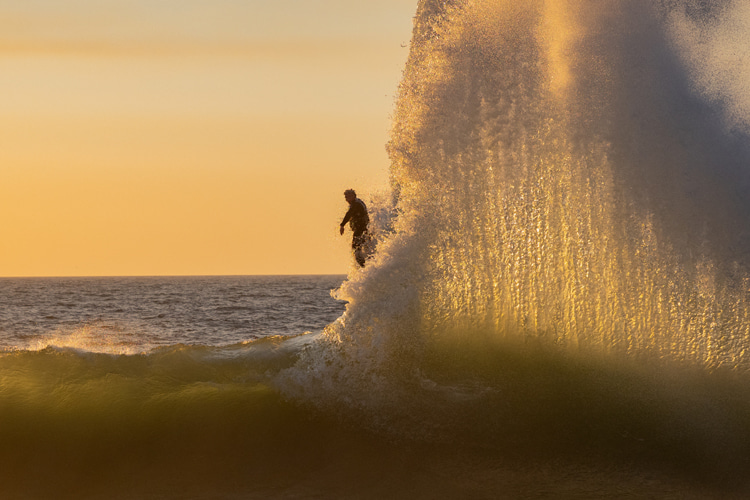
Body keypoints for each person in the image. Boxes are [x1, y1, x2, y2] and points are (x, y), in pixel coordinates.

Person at [339, 189, 370, 267]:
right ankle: (368, 266)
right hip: (364, 230)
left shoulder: (356, 204)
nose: (347, 198)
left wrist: (342, 225)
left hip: (360, 230)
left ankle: (365, 267)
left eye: (349, 196)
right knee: (361, 250)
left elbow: (349, 214)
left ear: (354, 196)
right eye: (346, 197)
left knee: (355, 250)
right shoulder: (357, 202)